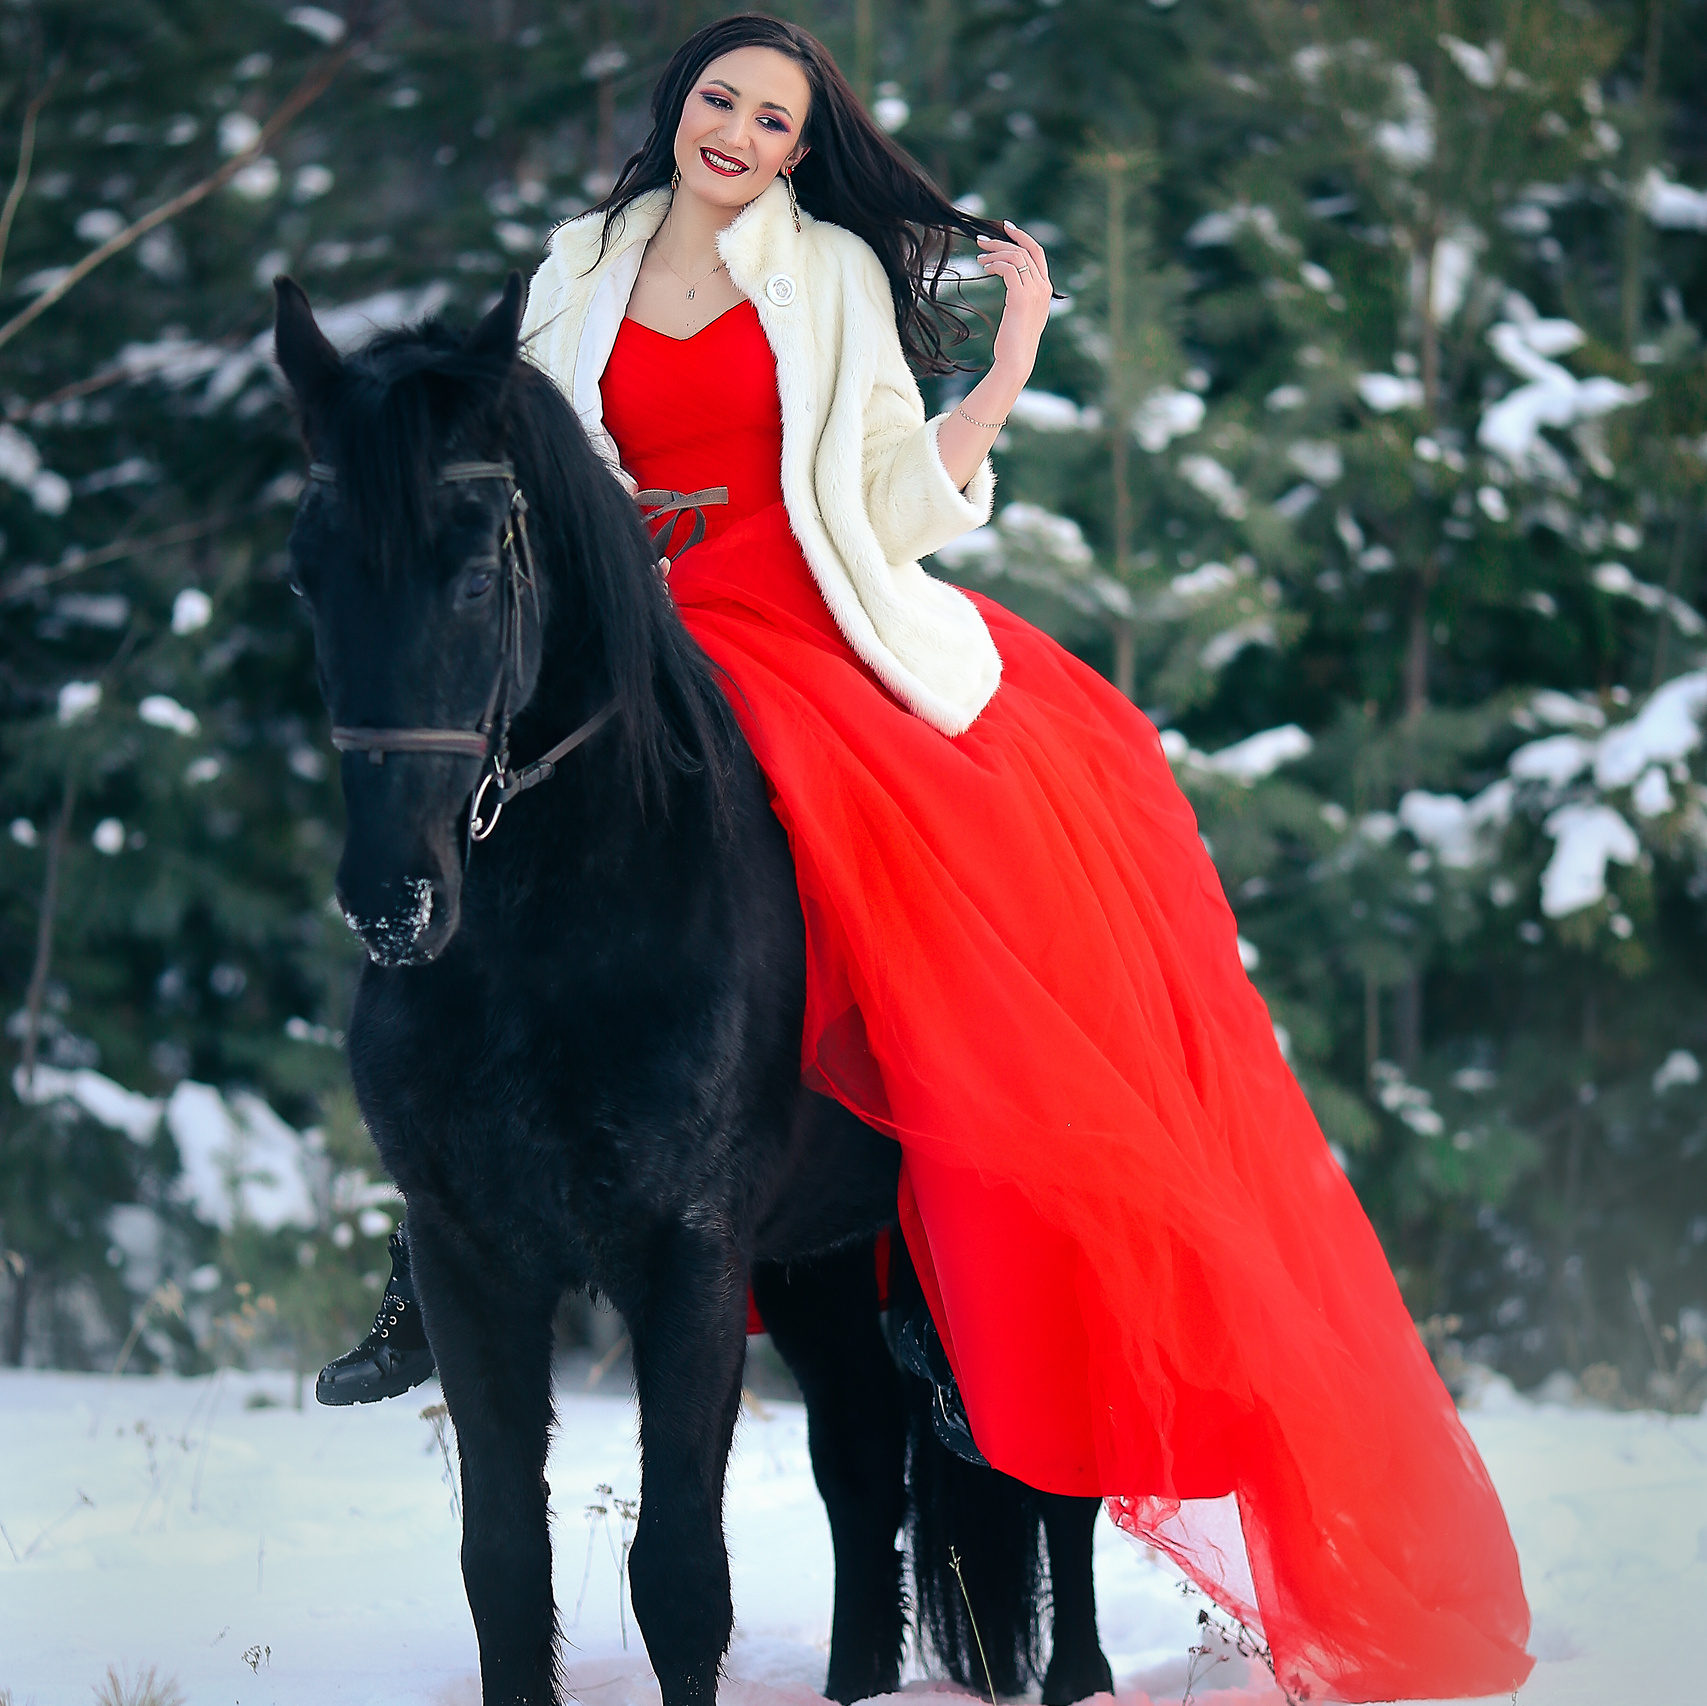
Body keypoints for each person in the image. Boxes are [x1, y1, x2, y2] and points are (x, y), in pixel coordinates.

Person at [320, 15, 1534, 1699]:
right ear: (678, 109)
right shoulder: (571, 269)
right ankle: (431, 1233)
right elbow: (507, 496)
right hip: (604, 643)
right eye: (720, 100)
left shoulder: (821, 274)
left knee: (925, 864)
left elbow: (884, 492)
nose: (738, 132)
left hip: (788, 626)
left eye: (774, 116)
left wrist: (1009, 363)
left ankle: (948, 1235)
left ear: (804, 144)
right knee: (460, 824)